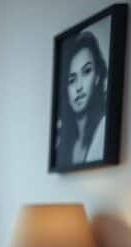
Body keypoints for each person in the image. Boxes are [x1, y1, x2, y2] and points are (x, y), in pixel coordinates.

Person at [56, 31, 108, 166]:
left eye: (86, 72)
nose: (79, 87)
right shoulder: (61, 143)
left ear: (97, 77)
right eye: (71, 80)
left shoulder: (103, 130)